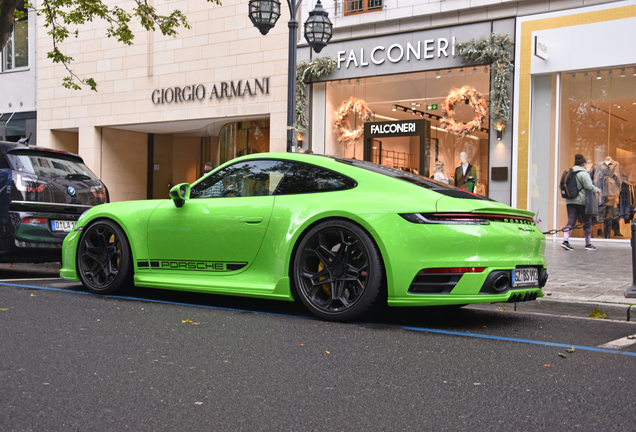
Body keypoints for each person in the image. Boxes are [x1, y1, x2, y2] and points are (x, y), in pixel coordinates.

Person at [562, 154, 600, 251]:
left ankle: (565, 241)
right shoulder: (584, 173)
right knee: (587, 222)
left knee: (571, 221)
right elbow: (588, 186)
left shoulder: (571, 172)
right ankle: (588, 244)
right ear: (584, 164)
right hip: (581, 202)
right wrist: (597, 190)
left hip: (570, 201)